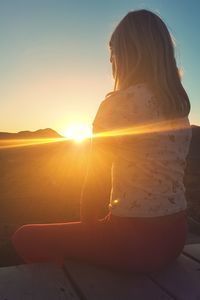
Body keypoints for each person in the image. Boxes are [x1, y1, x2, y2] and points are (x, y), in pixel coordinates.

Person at [2, 9, 192, 273]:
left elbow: (95, 183)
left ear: (127, 55)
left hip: (137, 243)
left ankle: (81, 286)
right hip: (175, 237)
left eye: (113, 53)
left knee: (23, 237)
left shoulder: (117, 105)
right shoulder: (178, 107)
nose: (112, 61)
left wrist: (90, 232)